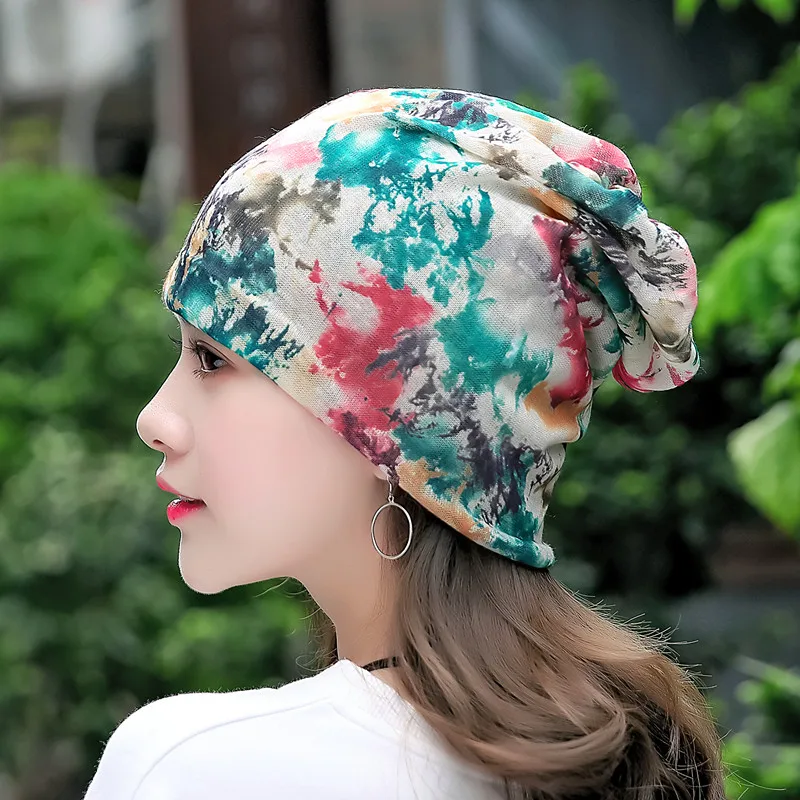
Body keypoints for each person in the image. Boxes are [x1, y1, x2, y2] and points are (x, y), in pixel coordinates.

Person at [84, 87, 724, 799]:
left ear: (397, 421)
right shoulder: (631, 751)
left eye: (212, 359)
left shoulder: (194, 767)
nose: (155, 418)